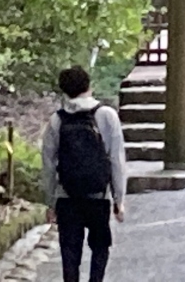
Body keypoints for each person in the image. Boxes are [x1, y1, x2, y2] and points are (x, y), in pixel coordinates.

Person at [41, 66, 128, 282]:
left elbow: (49, 164)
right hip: (98, 197)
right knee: (100, 247)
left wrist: (50, 203)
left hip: (67, 197)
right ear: (89, 86)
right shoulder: (106, 115)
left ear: (64, 91)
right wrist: (119, 199)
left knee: (70, 253)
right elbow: (117, 160)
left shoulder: (57, 120)